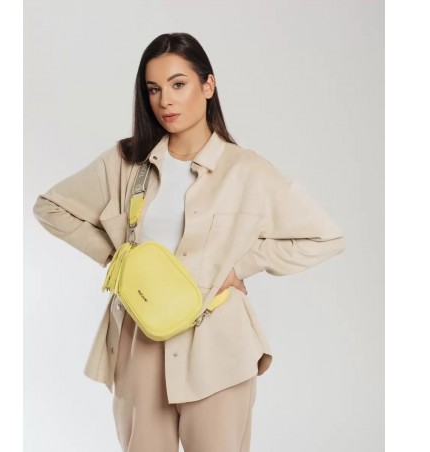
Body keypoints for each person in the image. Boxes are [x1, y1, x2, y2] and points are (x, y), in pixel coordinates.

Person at [33, 32, 345, 452]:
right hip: (141, 340)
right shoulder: (125, 162)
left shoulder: (246, 170)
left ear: (208, 85)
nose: (165, 100)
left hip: (218, 345)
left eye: (178, 84)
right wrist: (117, 259)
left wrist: (241, 266)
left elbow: (325, 236)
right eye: (154, 89)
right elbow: (51, 207)